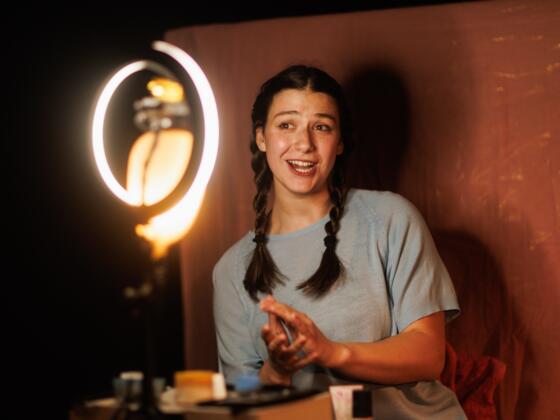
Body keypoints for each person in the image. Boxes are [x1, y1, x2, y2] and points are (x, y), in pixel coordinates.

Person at [212, 65, 466, 419]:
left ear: (340, 142)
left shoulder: (390, 218)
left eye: (321, 127)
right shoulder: (231, 269)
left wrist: (331, 352)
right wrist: (277, 371)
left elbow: (428, 355)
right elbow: (241, 398)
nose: (304, 143)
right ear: (261, 138)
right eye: (286, 125)